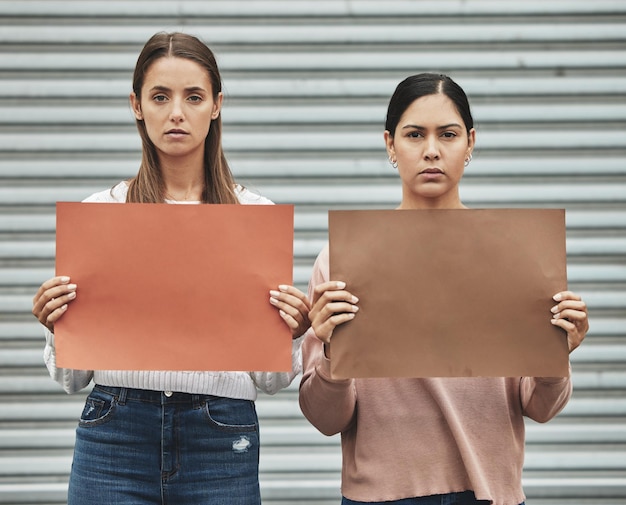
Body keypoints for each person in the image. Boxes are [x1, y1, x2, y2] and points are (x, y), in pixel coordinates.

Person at [31, 32, 310, 505]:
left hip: (221, 435)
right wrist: (58, 325)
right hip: (114, 434)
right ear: (136, 105)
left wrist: (294, 332)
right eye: (160, 97)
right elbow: (72, 378)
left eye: (194, 97)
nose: (176, 112)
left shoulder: (253, 215)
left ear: (217, 105)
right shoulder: (102, 212)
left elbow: (272, 381)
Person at [298, 73, 589, 505]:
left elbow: (540, 407)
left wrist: (556, 354)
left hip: (489, 491)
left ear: (470, 142)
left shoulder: (514, 256)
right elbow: (325, 418)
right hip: (382, 497)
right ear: (389, 144)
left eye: (448, 135)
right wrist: (328, 352)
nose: (431, 150)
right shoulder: (343, 261)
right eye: (414, 134)